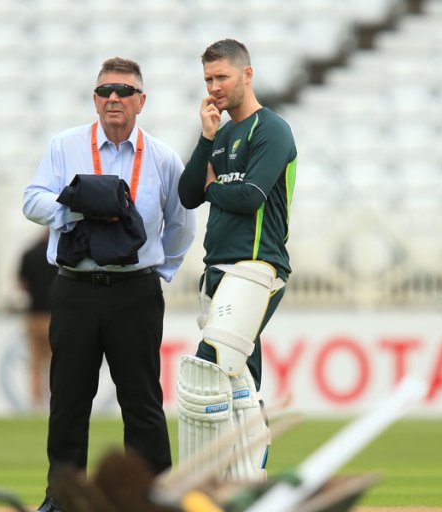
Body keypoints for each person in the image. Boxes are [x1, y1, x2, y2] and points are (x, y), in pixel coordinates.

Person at [23, 57, 196, 512]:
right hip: (76, 289)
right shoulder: (65, 146)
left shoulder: (162, 158)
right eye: (104, 92)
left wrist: (158, 270)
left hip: (135, 292)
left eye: (123, 91)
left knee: (142, 402)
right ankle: (62, 499)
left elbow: (181, 224)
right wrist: (76, 209)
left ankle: (153, 498)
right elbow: (32, 199)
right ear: (95, 99)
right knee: (68, 402)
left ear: (141, 100)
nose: (113, 99)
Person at [175, 39, 298, 481]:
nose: (214, 87)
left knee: (206, 370)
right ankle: (245, 485)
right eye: (208, 79)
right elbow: (188, 194)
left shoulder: (272, 129)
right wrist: (207, 138)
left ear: (247, 74)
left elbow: (249, 197)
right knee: (236, 382)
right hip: (219, 270)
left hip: (256, 266)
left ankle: (197, 485)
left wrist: (213, 187)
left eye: (222, 76)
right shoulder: (221, 132)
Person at [17, 231, 56, 411]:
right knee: (55, 363)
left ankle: (35, 402)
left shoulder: (28, 253)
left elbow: (21, 284)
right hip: (55, 316)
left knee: (35, 362)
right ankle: (53, 400)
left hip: (34, 315)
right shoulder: (58, 255)